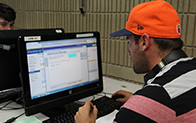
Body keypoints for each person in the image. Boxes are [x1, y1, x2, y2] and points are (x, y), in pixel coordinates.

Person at [74, 0, 196, 123]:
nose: (128, 52)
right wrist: (140, 102)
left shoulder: (158, 94)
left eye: (129, 42)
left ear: (144, 42)